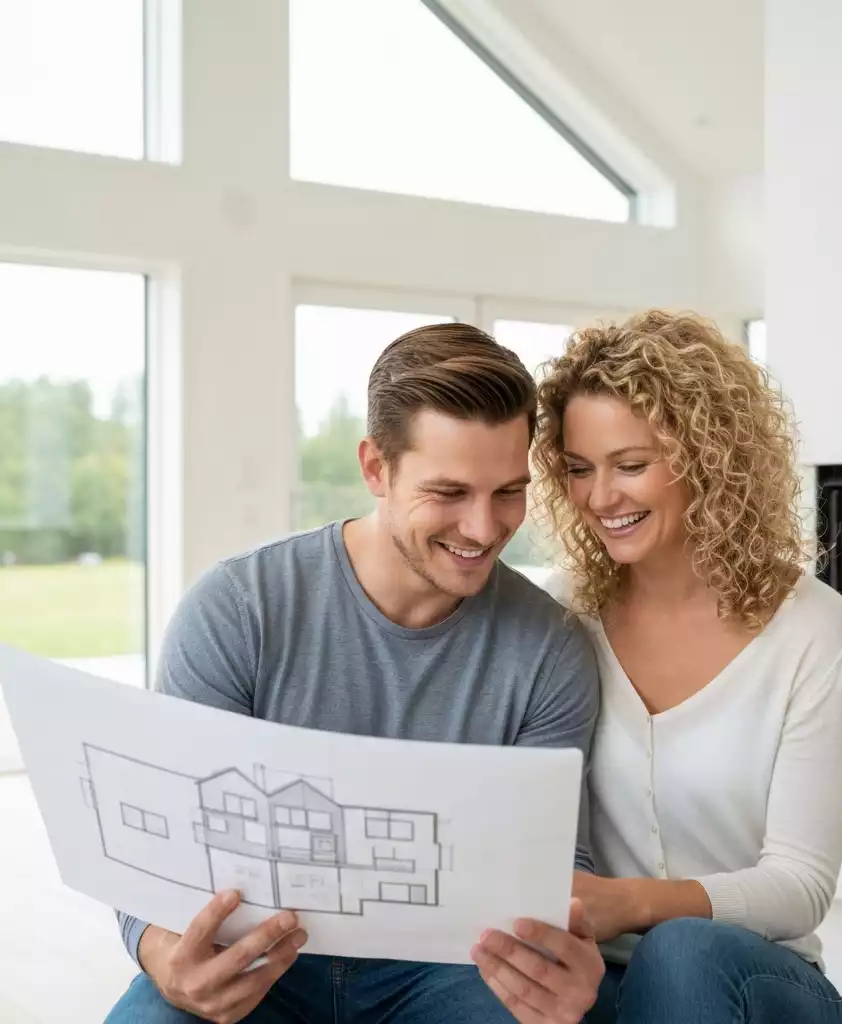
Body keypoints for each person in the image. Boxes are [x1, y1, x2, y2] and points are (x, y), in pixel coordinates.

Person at [106, 323, 605, 1023]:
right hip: (259, 958)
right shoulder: (238, 609)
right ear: (376, 468)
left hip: (454, 970)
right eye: (450, 491)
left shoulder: (551, 648)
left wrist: (566, 961)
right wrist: (160, 952)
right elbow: (158, 841)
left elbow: (554, 861)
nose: (485, 528)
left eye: (508, 492)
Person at [531, 310, 842, 1024]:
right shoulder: (560, 615)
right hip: (593, 976)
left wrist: (632, 904)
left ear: (708, 457)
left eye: (630, 465)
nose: (599, 497)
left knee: (680, 954)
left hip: (752, 978)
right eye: (580, 469)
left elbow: (800, 886)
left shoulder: (812, 629)